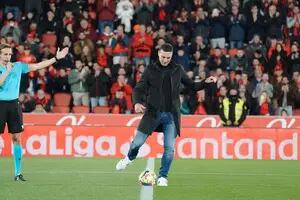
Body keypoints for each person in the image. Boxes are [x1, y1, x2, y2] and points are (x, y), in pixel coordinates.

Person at [115, 43, 216, 186]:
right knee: (137, 142)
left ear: (171, 56)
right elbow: (138, 89)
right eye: (163, 57)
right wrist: (137, 103)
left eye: (168, 57)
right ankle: (129, 158)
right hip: (152, 113)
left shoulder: (177, 69)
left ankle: (163, 176)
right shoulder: (150, 70)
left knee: (169, 148)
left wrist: (205, 82)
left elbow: (192, 85)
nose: (165, 60)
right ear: (158, 54)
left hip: (172, 115)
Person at [0, 43, 68, 181]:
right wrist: (7, 70)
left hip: (14, 105)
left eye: (9, 54)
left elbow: (37, 66)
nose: (8, 56)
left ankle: (18, 173)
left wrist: (56, 58)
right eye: (5, 54)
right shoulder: (8, 68)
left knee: (17, 138)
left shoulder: (18, 66)